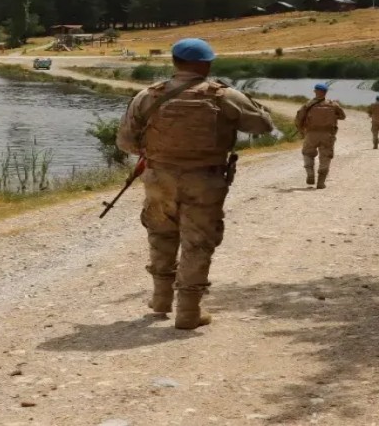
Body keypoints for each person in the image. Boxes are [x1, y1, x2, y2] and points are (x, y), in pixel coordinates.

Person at [117, 38, 274, 330]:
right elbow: (262, 126)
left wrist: (158, 151)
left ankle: (161, 300)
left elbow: (126, 142)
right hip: (205, 179)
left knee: (161, 235)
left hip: (158, 179)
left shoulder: (148, 95)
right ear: (207, 64)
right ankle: (188, 312)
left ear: (174, 62)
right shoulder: (224, 95)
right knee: (197, 242)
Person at [295, 83, 346, 188]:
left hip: (311, 134)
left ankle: (310, 174)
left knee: (307, 153)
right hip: (327, 135)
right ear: (326, 92)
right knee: (326, 157)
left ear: (315, 91)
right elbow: (342, 116)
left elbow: (299, 118)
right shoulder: (333, 104)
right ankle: (321, 182)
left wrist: (301, 130)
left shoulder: (308, 104)